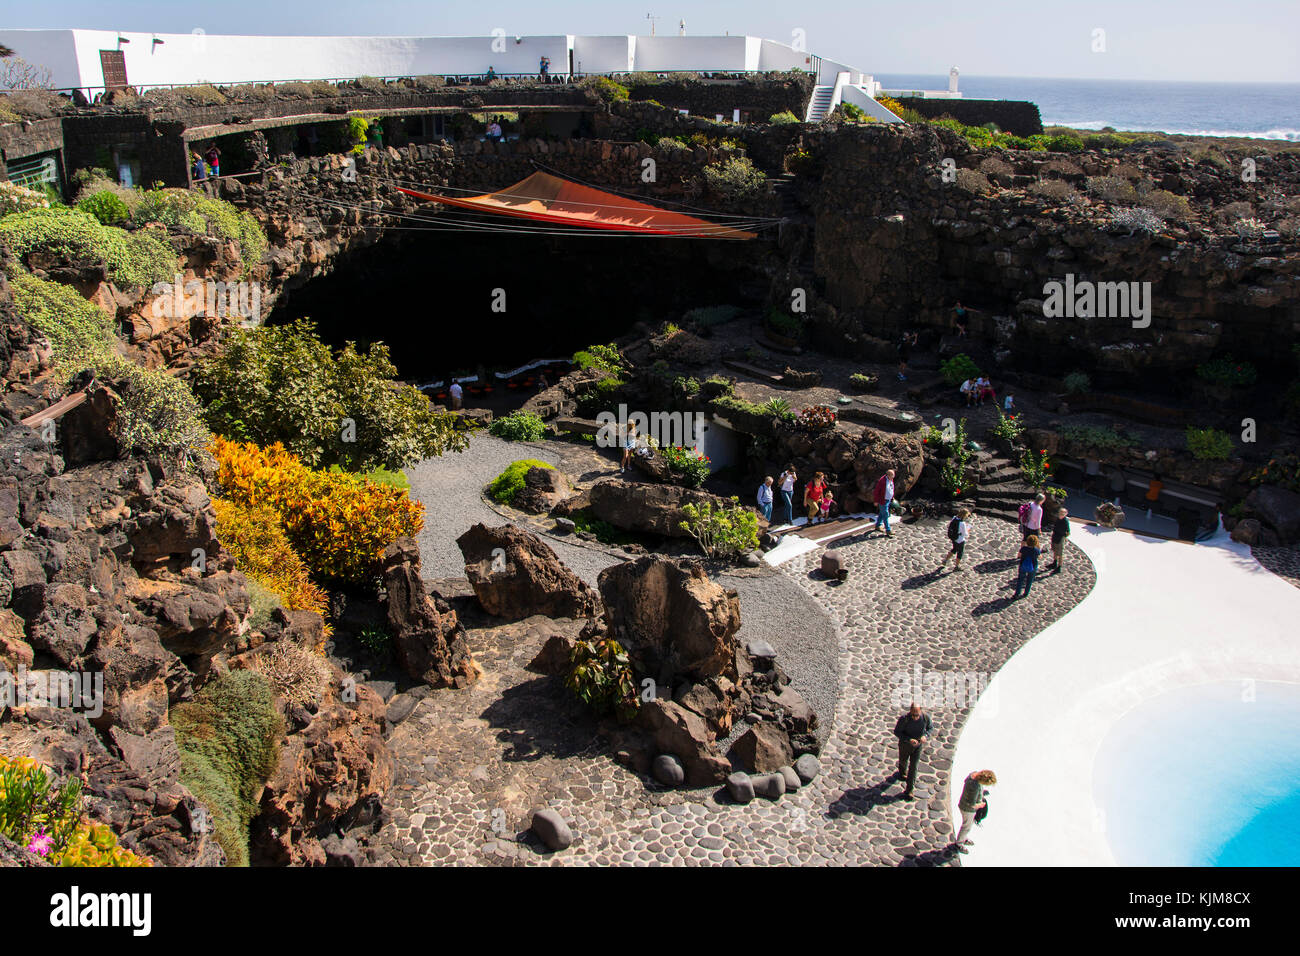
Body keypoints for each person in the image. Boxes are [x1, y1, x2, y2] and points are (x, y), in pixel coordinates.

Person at [892, 703, 932, 800]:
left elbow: (930, 728)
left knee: (914, 767)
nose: (915, 717)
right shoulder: (904, 719)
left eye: (917, 715)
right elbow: (897, 732)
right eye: (913, 715)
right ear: (910, 711)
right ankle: (902, 772)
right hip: (905, 745)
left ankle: (909, 789)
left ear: (920, 712)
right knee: (903, 760)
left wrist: (925, 736)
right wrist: (909, 739)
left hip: (917, 746)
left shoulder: (925, 718)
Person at [952, 769, 997, 853]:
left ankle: (963, 838)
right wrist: (980, 805)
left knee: (968, 824)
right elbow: (971, 803)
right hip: (967, 809)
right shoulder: (974, 786)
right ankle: (959, 843)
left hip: (964, 804)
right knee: (966, 827)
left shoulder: (973, 775)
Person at [939, 507, 971, 572]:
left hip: (954, 538)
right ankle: (956, 566)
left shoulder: (954, 518)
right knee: (960, 553)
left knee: (954, 549)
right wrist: (968, 529)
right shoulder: (962, 523)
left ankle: (945, 560)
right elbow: (965, 534)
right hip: (960, 540)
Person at [1013, 534, 1042, 599]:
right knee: (1029, 580)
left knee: (1020, 580)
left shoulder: (1023, 548)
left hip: (1023, 565)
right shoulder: (1036, 550)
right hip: (1033, 566)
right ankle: (1026, 593)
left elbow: (1020, 555)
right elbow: (1039, 557)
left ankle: (1017, 593)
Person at [872, 468, 896, 537]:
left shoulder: (891, 479)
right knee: (885, 514)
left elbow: (891, 488)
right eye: (892, 475)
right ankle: (888, 530)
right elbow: (876, 491)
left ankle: (878, 525)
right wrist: (876, 501)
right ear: (888, 475)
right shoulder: (882, 481)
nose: (894, 476)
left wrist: (892, 496)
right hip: (883, 500)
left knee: (882, 514)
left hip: (888, 499)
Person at [1047, 507, 1070, 573]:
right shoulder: (1058, 519)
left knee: (1060, 553)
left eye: (1063, 513)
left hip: (1060, 538)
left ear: (1066, 514)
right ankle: (1054, 562)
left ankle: (1059, 566)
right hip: (1055, 536)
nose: (1061, 514)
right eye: (1060, 512)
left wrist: (1064, 537)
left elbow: (1068, 532)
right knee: (1054, 550)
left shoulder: (1065, 521)